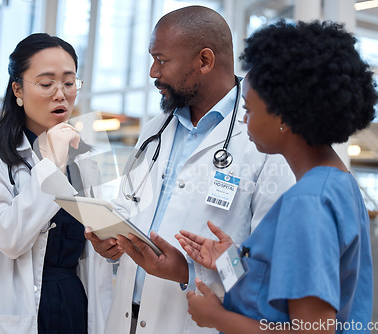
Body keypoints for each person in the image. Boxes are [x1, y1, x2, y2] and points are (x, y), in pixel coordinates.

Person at [84, 6, 295, 334]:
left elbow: (267, 269)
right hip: (126, 318)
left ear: (205, 61)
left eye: (162, 60)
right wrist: (111, 243)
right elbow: (130, 208)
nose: (153, 72)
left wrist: (189, 272)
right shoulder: (155, 129)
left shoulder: (265, 141)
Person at [177, 20, 378, 334]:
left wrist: (217, 318)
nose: (244, 121)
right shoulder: (340, 184)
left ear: (283, 115)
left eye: (249, 110)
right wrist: (231, 261)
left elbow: (313, 330)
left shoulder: (308, 202)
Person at [0, 33, 113, 334]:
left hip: (74, 305)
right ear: (17, 89)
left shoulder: (88, 157)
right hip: (18, 311)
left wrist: (113, 244)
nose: (61, 94)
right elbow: (10, 237)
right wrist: (51, 163)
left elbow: (100, 238)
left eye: (69, 83)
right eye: (46, 84)